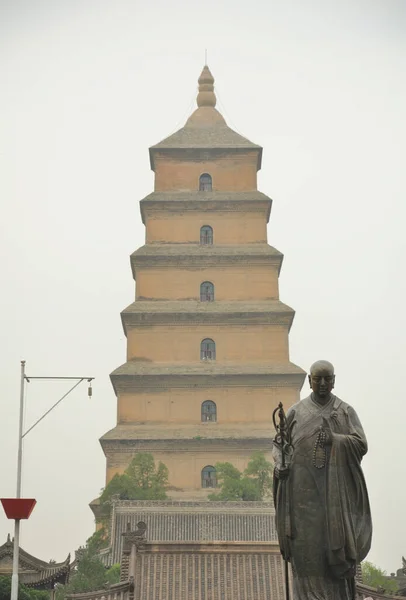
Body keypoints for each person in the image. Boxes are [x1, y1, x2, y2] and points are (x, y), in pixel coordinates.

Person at [273, 360, 372, 600]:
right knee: (306, 558)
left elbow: (361, 444)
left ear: (335, 380)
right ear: (309, 381)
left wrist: (336, 440)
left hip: (335, 500)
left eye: (329, 379)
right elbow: (280, 447)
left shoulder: (344, 411)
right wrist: (282, 465)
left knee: (334, 558)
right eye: (318, 379)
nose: (324, 384)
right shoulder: (296, 411)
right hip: (302, 500)